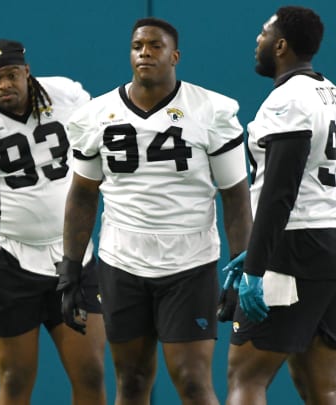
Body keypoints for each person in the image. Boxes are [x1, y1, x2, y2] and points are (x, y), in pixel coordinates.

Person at [62, 17, 252, 405]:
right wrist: (71, 267)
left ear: (175, 55)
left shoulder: (211, 110)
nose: (145, 53)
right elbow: (82, 194)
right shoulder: (96, 115)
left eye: (155, 46)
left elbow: (235, 195)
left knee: (194, 382)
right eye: (138, 46)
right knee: (130, 381)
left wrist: (241, 266)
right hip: (122, 262)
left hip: (191, 263)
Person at [225, 7, 336, 405]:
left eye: (263, 32)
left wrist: (256, 265)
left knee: (244, 376)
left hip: (296, 250)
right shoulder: (333, 92)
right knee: (320, 383)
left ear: (281, 45)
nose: (258, 41)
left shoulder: (287, 100)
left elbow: (279, 193)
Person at [0, 39, 106, 405]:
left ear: (27, 71)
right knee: (14, 379)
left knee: (91, 372)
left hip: (74, 256)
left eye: (11, 74)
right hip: (11, 260)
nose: (4, 85)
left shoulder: (67, 95)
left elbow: (97, 147)